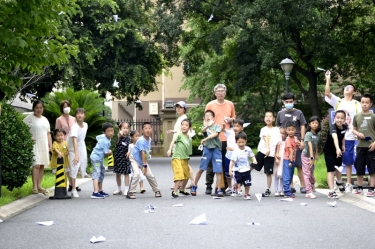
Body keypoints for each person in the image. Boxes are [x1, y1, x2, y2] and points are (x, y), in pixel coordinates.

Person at [325, 70, 361, 192]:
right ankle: (338, 181)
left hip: (350, 135)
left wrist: (357, 132)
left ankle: (349, 183)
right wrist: (328, 79)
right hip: (337, 135)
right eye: (346, 86)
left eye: (350, 87)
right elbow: (327, 93)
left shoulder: (357, 104)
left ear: (354, 92)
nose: (347, 88)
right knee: (336, 159)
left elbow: (360, 119)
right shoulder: (338, 101)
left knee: (348, 160)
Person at [204, 84, 236, 194]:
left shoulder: (230, 104)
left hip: (225, 138)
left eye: (222, 91)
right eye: (218, 91)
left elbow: (234, 118)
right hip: (213, 138)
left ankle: (223, 186)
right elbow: (205, 120)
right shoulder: (210, 104)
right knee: (211, 162)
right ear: (215, 93)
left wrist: (230, 119)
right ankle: (208, 185)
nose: (221, 93)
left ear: (225, 92)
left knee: (224, 162)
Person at [276, 93, 307, 194]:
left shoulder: (299, 113)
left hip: (296, 142)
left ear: (294, 101)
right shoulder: (280, 113)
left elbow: (302, 126)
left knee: (299, 164)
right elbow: (278, 127)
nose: (288, 103)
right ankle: (291, 185)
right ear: (283, 102)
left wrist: (302, 140)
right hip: (284, 143)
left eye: (290, 102)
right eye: (286, 102)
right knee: (288, 164)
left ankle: (303, 185)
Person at [191, 110, 224, 196]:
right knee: (201, 169)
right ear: (204, 118)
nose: (208, 117)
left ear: (213, 118)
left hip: (216, 150)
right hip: (207, 149)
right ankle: (194, 186)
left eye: (210, 115)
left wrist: (206, 139)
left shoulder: (217, 126)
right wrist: (207, 126)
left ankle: (219, 190)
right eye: (206, 116)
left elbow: (216, 134)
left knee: (218, 170)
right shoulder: (204, 127)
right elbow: (203, 131)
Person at [126, 122, 162, 199]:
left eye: (149, 128)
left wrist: (145, 164)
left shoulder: (149, 139)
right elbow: (143, 153)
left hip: (142, 160)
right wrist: (144, 166)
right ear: (142, 131)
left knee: (150, 175)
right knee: (137, 174)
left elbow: (146, 152)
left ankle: (157, 190)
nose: (148, 130)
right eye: (146, 128)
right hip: (134, 158)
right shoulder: (141, 140)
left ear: (152, 130)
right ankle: (130, 192)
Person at [23, 100, 52, 194]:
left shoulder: (45, 119)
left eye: (41, 108)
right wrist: (28, 138)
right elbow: (21, 129)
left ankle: (39, 185)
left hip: (44, 144)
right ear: (33, 108)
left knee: (42, 164)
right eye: (37, 108)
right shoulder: (29, 118)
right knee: (36, 165)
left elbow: (48, 133)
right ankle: (34, 186)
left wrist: (50, 146)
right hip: (34, 144)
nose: (39, 110)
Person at [166, 101, 195, 189]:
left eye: (180, 107)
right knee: (183, 164)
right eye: (177, 107)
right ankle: (184, 183)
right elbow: (180, 130)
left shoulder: (183, 118)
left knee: (183, 164)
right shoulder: (180, 118)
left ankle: (192, 182)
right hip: (179, 142)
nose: (178, 108)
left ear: (184, 109)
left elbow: (186, 131)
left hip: (180, 144)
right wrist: (173, 131)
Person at [254, 111, 282, 197]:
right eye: (266, 116)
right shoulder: (263, 129)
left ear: (273, 119)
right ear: (264, 119)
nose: (268, 118)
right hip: (262, 152)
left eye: (270, 116)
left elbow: (278, 143)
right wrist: (268, 149)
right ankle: (239, 184)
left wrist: (276, 154)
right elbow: (265, 139)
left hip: (271, 155)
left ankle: (268, 189)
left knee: (268, 172)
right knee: (252, 166)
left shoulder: (277, 130)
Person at [352, 94, 375, 196]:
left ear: (371, 104)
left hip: (372, 147)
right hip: (360, 146)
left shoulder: (374, 116)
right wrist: (358, 134)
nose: (364, 104)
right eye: (362, 102)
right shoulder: (357, 116)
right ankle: (359, 188)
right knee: (359, 167)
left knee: (372, 168)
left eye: (367, 103)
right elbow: (353, 129)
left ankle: (372, 189)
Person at [323, 110, 347, 199]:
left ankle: (339, 182)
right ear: (334, 118)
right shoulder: (332, 128)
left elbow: (342, 136)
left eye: (341, 118)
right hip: (329, 151)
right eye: (337, 118)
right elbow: (335, 137)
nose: (339, 120)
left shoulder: (345, 127)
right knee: (331, 170)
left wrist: (343, 145)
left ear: (344, 119)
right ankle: (331, 191)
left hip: (339, 150)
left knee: (338, 167)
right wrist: (337, 148)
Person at [167, 118, 193, 198]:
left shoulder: (189, 138)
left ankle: (182, 189)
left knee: (186, 175)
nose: (184, 126)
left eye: (186, 125)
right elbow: (173, 141)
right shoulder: (179, 135)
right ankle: (175, 192)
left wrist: (188, 158)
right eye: (182, 125)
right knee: (179, 175)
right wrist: (170, 149)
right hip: (177, 157)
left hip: (185, 159)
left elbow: (189, 150)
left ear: (189, 128)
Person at [229, 132, 257, 200]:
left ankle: (246, 194)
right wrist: (230, 170)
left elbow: (252, 155)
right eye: (239, 142)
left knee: (247, 182)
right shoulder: (236, 151)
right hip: (237, 170)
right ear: (236, 142)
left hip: (246, 169)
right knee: (238, 181)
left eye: (243, 142)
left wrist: (254, 160)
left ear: (246, 141)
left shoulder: (248, 149)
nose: (241, 144)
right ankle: (235, 187)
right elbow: (232, 161)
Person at [67, 108, 88, 197]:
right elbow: (74, 140)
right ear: (75, 116)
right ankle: (73, 188)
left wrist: (81, 152)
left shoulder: (86, 125)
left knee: (82, 164)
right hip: (73, 148)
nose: (80, 115)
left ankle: (76, 183)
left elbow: (81, 139)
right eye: (78, 113)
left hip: (82, 145)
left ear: (84, 115)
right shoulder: (74, 127)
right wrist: (76, 154)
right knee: (74, 167)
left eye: (81, 113)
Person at [90, 122, 114, 199]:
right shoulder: (106, 141)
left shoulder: (104, 137)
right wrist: (110, 151)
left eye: (112, 131)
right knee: (97, 173)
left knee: (101, 172)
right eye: (108, 131)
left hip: (99, 158)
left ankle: (100, 190)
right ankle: (95, 192)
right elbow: (106, 153)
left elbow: (98, 137)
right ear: (104, 132)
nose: (110, 133)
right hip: (96, 158)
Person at [302, 116, 321, 199]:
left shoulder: (317, 134)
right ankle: (308, 192)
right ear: (309, 124)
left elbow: (315, 145)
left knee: (311, 173)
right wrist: (312, 158)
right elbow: (309, 146)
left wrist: (316, 154)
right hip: (306, 156)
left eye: (316, 123)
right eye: (313, 123)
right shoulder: (308, 134)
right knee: (307, 173)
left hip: (312, 155)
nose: (315, 125)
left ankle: (312, 186)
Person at [224, 119, 245, 194]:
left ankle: (238, 188)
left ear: (242, 128)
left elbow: (242, 147)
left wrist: (232, 149)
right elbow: (223, 130)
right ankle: (230, 187)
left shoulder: (242, 136)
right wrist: (223, 127)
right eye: (234, 126)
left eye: (238, 126)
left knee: (237, 173)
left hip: (237, 158)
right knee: (227, 173)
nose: (235, 128)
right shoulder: (230, 132)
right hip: (228, 156)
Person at [113, 122, 132, 196]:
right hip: (118, 157)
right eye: (124, 128)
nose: (125, 130)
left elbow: (131, 146)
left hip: (125, 158)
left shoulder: (129, 138)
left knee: (126, 173)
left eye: (127, 128)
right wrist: (119, 134)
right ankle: (119, 189)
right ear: (120, 129)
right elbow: (116, 140)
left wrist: (129, 151)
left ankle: (127, 189)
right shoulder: (118, 136)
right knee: (118, 173)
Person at [282, 121, 298, 198]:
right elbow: (291, 151)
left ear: (295, 130)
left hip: (293, 159)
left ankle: (288, 189)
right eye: (289, 130)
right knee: (287, 176)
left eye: (292, 130)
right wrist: (291, 161)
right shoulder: (288, 139)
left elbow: (297, 147)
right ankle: (286, 192)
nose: (290, 131)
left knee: (291, 176)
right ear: (286, 130)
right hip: (288, 159)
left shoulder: (295, 138)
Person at [274, 127, 286, 197]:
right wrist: (276, 158)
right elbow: (274, 152)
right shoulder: (276, 142)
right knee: (276, 175)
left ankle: (281, 190)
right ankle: (276, 190)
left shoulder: (285, 142)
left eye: (283, 133)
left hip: (283, 161)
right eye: (280, 133)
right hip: (277, 160)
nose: (282, 135)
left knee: (282, 176)